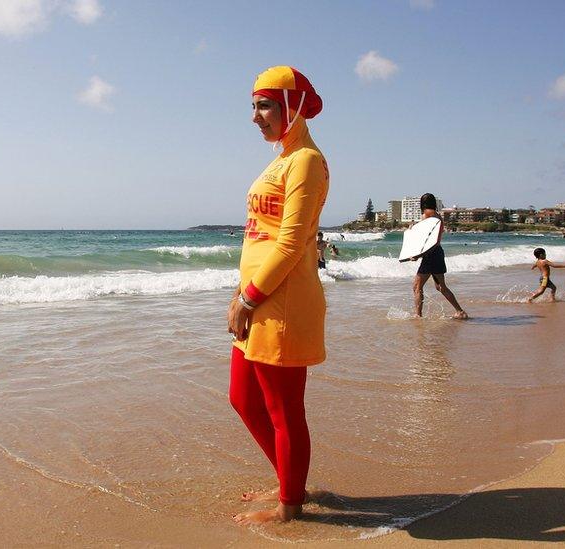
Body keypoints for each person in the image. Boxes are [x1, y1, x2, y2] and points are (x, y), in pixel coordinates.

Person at [227, 66, 327, 525]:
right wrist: (242, 292)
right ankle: (292, 481)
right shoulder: (280, 159)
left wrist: (249, 298)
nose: (255, 116)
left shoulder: (307, 160)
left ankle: (290, 506)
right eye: (254, 105)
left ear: (292, 106)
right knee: (242, 398)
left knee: (284, 410)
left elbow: (290, 241)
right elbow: (259, 238)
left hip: (281, 302)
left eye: (265, 105)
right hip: (257, 296)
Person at [410, 193, 468, 319]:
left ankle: (418, 316)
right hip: (437, 252)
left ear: (422, 204)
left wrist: (417, 254)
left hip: (430, 254)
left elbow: (426, 239)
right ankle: (460, 311)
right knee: (441, 287)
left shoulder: (426, 215)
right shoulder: (438, 216)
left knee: (417, 286)